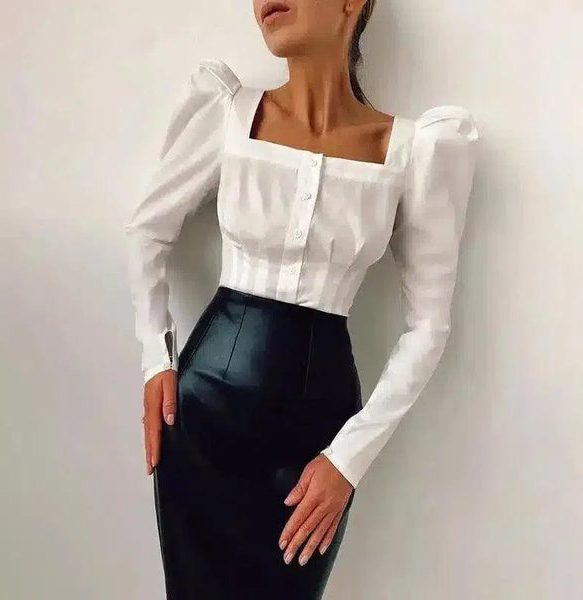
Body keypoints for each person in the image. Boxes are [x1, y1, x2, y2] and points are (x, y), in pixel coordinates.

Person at [124, 0, 479, 597]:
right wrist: (156, 356)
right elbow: (147, 228)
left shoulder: (414, 149)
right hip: (203, 415)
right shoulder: (229, 113)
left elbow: (428, 326)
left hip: (319, 436)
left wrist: (348, 459)